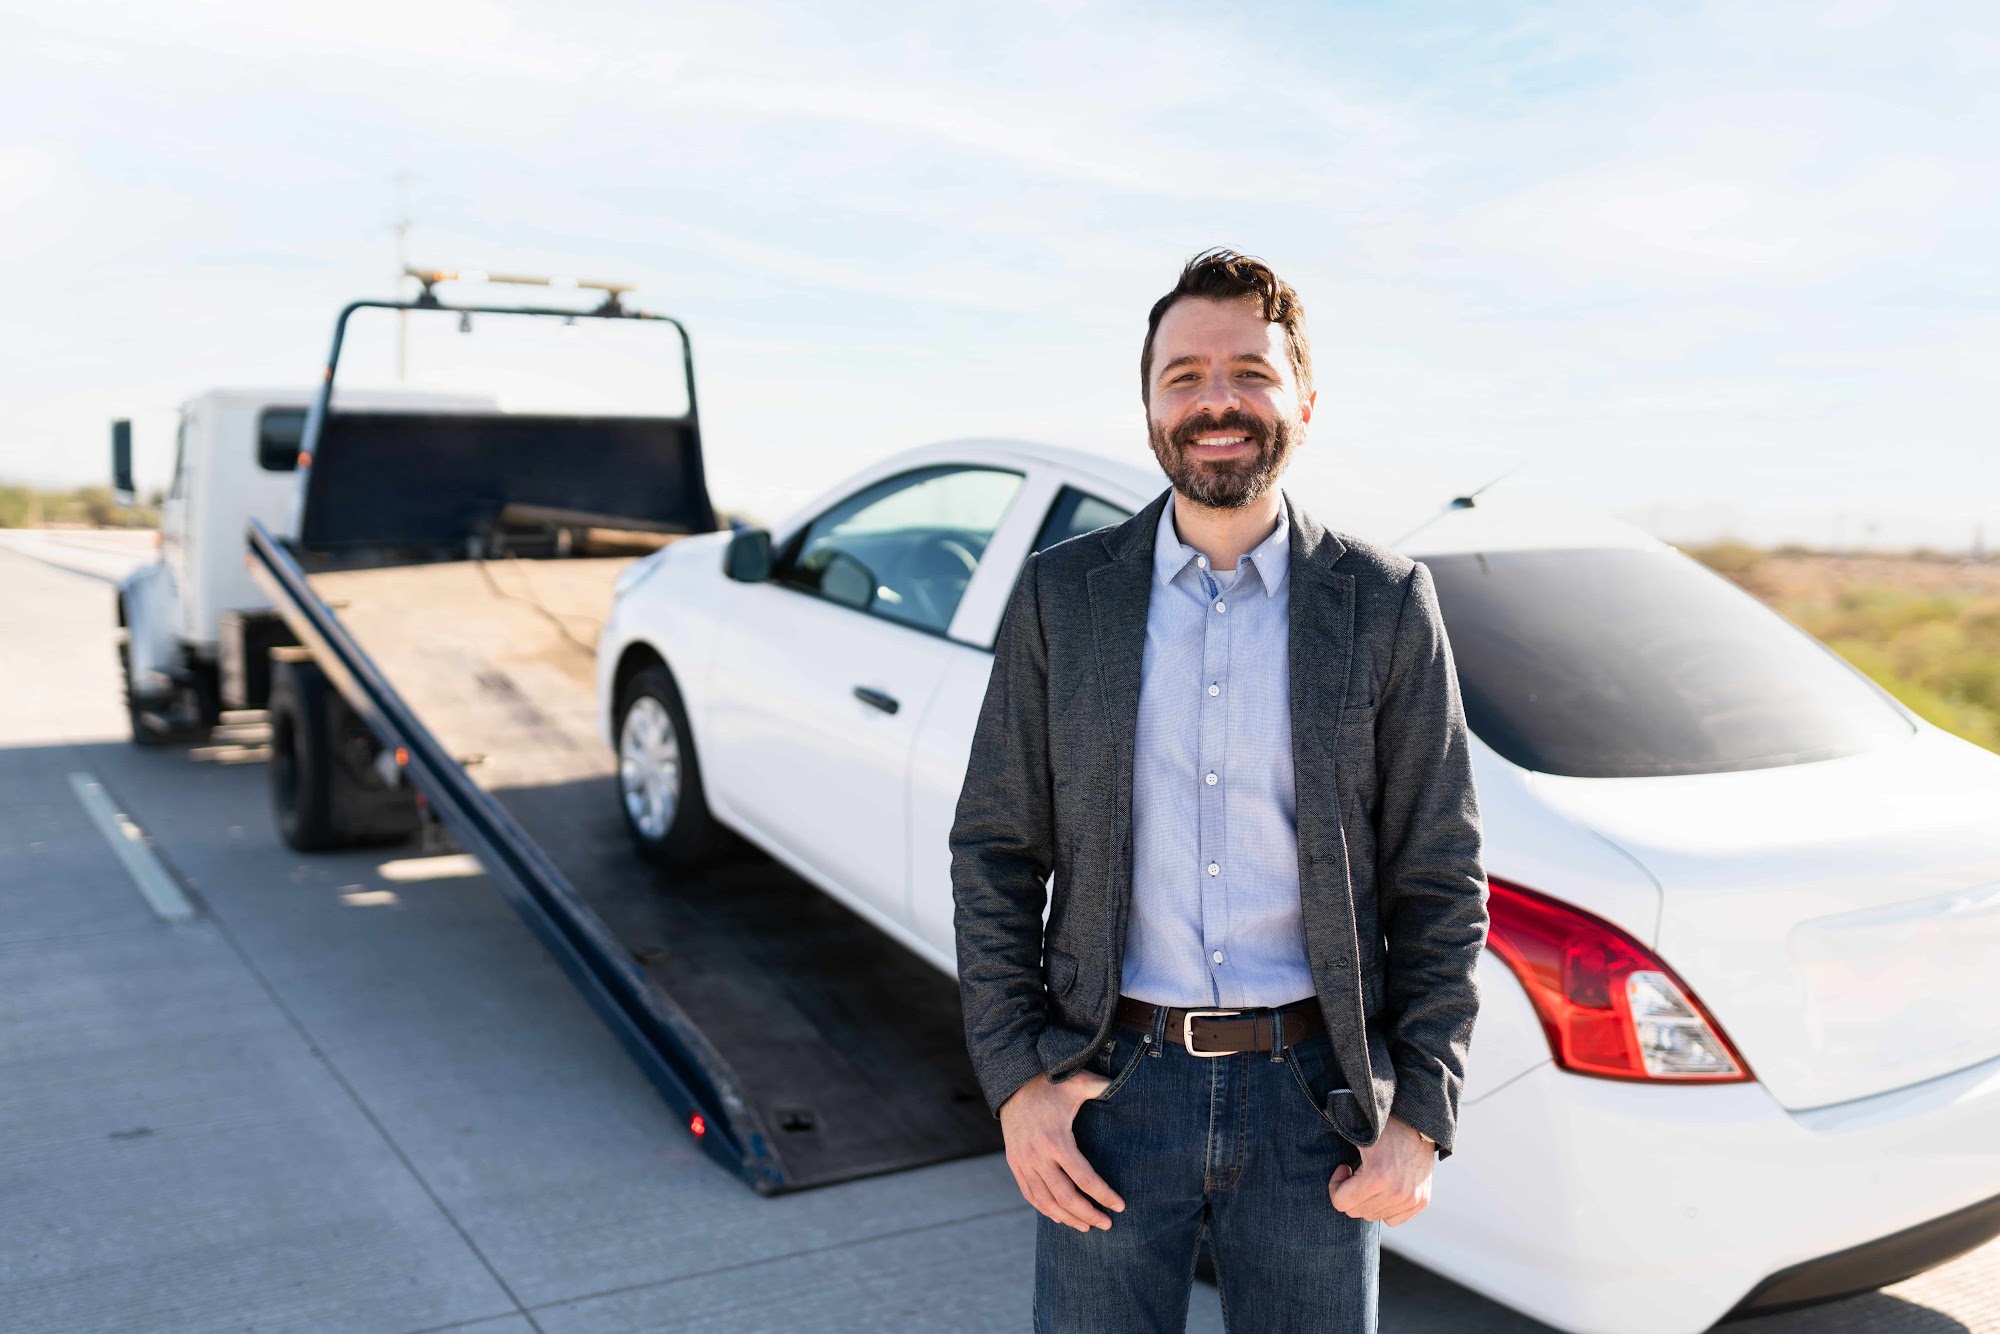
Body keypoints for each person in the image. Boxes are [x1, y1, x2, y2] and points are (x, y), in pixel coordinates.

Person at [948, 248, 1489, 1332]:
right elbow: (996, 848)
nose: (1215, 401)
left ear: (1303, 399)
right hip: (1110, 1088)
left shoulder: (1383, 604)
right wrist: (1017, 1083)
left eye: (1248, 369)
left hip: (1315, 1102)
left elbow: (1438, 873)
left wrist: (1419, 1111)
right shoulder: (1066, 595)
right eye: (1183, 374)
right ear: (1148, 403)